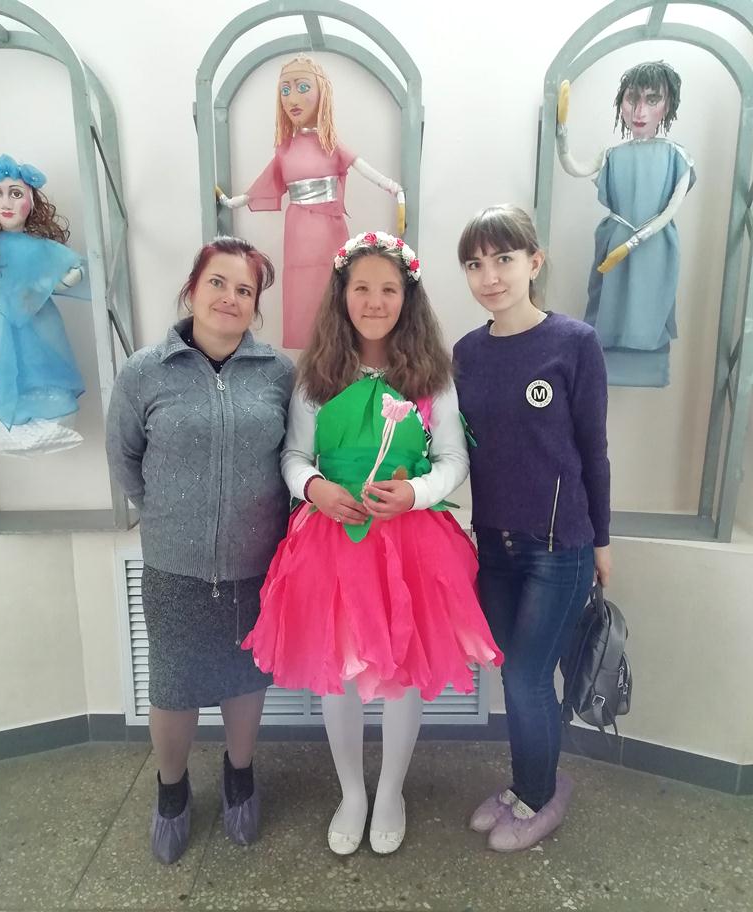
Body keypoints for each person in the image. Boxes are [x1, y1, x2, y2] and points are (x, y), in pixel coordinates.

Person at [241, 230, 502, 855]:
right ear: (342, 295)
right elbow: (294, 455)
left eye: (389, 289)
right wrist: (315, 489)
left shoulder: (432, 376)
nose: (375, 301)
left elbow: (453, 460)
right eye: (361, 288)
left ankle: (390, 792)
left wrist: (415, 492)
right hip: (332, 540)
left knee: (402, 672)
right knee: (341, 670)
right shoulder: (317, 374)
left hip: (410, 543)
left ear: (408, 297)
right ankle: (351, 793)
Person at [106, 236, 294, 864]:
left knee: (245, 680)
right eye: (218, 282)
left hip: (255, 566)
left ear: (256, 305)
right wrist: (170, 515)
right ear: (192, 288)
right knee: (173, 687)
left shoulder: (279, 374)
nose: (229, 298)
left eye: (244, 289)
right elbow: (125, 459)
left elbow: (294, 458)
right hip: (175, 566)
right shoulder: (145, 371)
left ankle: (240, 775)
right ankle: (172, 789)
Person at [453, 205, 611, 852]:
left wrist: (602, 541)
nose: (489, 276)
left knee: (526, 678)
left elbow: (593, 451)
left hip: (559, 548)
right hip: (493, 547)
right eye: (474, 264)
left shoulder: (575, 343)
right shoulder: (466, 353)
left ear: (534, 263)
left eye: (504, 259)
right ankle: (527, 784)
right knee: (515, 676)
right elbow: (457, 447)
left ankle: (540, 796)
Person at [217, 55, 403, 349]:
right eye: (285, 90)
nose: (293, 98)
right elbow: (261, 186)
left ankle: (337, 349)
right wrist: (230, 202)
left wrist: (393, 188)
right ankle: (310, 356)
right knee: (301, 291)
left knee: (333, 285)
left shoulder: (331, 144)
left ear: (322, 91)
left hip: (329, 229)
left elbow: (363, 167)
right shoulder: (285, 150)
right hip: (298, 232)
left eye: (303, 87)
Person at [555, 61, 695, 386]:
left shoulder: (677, 156)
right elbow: (574, 166)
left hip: (653, 245)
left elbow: (670, 210)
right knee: (608, 305)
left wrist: (635, 242)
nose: (640, 111)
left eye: (652, 99)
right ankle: (602, 367)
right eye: (632, 99)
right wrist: (561, 130)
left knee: (649, 307)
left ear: (667, 106)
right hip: (614, 241)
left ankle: (646, 369)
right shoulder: (612, 154)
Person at [0, 153, 84, 455]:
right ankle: (13, 431)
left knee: (42, 364)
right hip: (5, 323)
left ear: (31, 200)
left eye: (16, 194)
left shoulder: (38, 247)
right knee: (9, 366)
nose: (6, 203)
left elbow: (71, 270)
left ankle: (47, 425)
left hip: (39, 319)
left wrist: (60, 279)